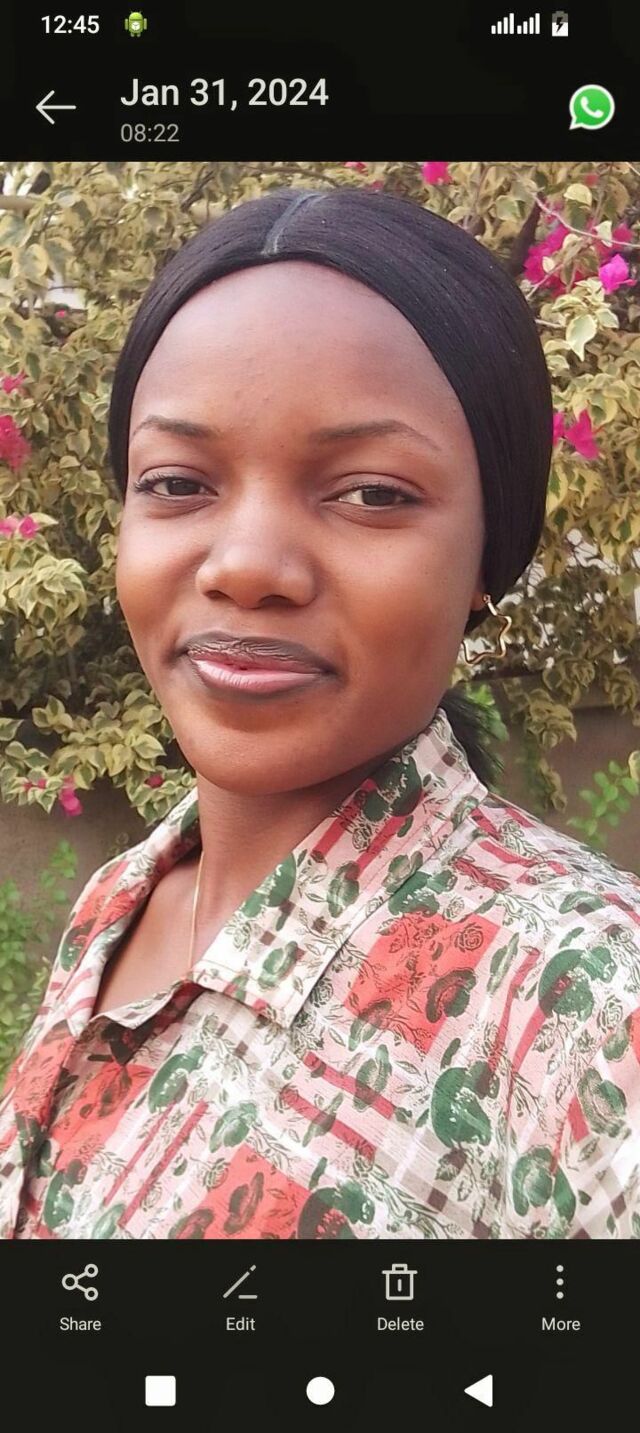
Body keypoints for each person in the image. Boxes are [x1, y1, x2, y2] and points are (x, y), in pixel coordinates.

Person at [1, 185, 639, 1241]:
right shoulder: (123, 898)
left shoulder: (582, 1001)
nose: (246, 565)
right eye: (177, 481)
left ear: (487, 560)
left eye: (372, 492)